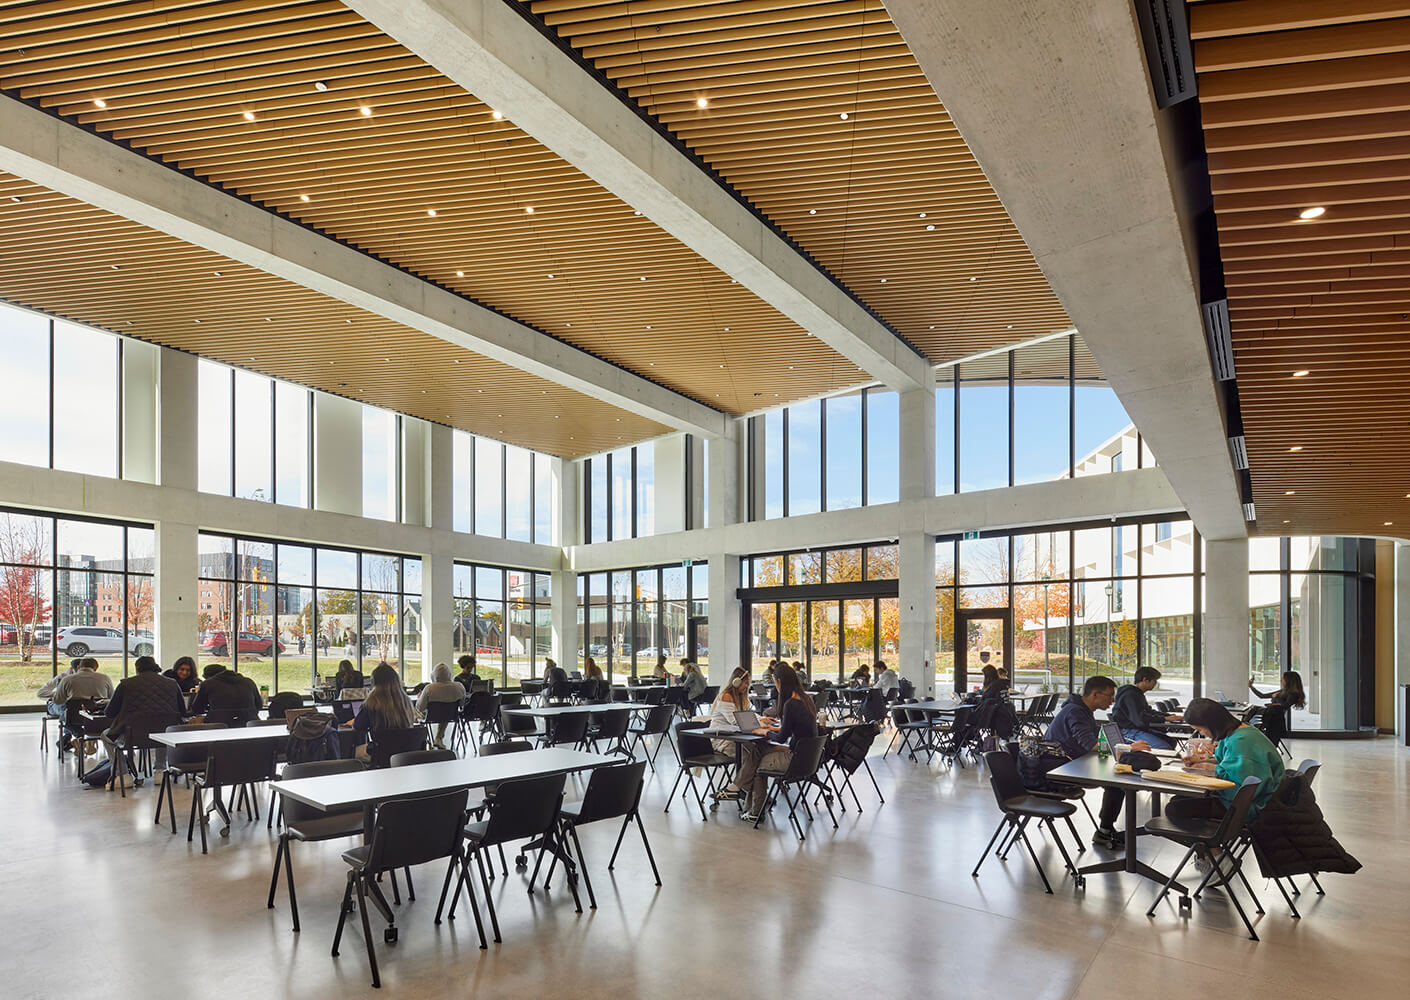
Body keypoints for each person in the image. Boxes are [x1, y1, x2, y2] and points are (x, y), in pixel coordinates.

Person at [1045, 675, 1149, 849]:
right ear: (1095, 694)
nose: (1112, 700)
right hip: (1059, 768)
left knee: (1117, 778)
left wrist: (1125, 745)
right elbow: (1092, 745)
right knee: (1117, 782)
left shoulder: (1082, 710)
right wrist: (1128, 748)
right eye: (1109, 695)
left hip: (1073, 763)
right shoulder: (1075, 712)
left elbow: (1097, 740)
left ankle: (1105, 830)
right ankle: (1105, 831)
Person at [1173, 698, 1286, 822]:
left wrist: (1214, 769)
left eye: (1200, 730)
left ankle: (1207, 840)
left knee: (1175, 808)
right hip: (1264, 799)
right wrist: (1201, 761)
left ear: (1211, 724)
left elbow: (1238, 786)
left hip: (1250, 806)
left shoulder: (1240, 741)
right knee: (1179, 800)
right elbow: (1230, 761)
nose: (1203, 734)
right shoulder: (1241, 731)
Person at [735, 662, 815, 821]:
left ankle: (754, 811)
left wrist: (765, 731)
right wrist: (777, 729)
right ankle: (742, 794)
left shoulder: (790, 704)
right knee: (759, 750)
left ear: (779, 682)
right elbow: (795, 729)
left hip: (794, 759)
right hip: (809, 758)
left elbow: (781, 739)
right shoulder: (805, 699)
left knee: (758, 764)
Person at [100, 656, 186, 784]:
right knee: (162, 729)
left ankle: (123, 775)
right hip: (165, 736)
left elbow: (110, 712)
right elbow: (182, 711)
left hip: (132, 736)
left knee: (105, 736)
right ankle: (160, 770)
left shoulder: (126, 684)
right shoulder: (172, 683)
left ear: (137, 669)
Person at [347, 662, 417, 761]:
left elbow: (357, 728)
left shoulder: (371, 703)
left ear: (374, 682)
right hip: (405, 754)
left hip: (380, 752)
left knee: (351, 751)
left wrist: (354, 721)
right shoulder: (406, 701)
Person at [708, 667, 753, 796]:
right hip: (721, 741)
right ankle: (744, 790)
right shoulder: (726, 696)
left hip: (733, 738)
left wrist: (762, 719)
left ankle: (746, 790)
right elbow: (735, 720)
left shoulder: (739, 697)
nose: (747, 686)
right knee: (751, 755)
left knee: (755, 752)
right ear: (736, 681)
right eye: (745, 683)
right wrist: (758, 722)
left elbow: (745, 716)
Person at [1113, 666, 1180, 749]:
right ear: (1145, 680)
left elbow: (1149, 712)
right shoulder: (1130, 695)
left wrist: (1167, 716)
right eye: (1154, 680)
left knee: (1171, 741)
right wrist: (1165, 719)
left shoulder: (1137, 694)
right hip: (1128, 731)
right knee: (1163, 747)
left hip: (1136, 729)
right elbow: (1140, 719)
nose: (1156, 683)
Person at [189, 663, 262, 723]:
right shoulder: (248, 682)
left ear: (208, 677)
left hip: (218, 727)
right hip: (250, 726)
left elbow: (197, 709)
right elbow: (259, 705)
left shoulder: (208, 684)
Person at [415, 662, 465, 749]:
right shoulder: (459, 686)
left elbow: (420, 707)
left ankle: (419, 742)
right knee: (445, 712)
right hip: (451, 715)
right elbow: (462, 704)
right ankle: (438, 738)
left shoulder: (429, 688)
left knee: (416, 713)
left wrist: (420, 698)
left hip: (430, 717)